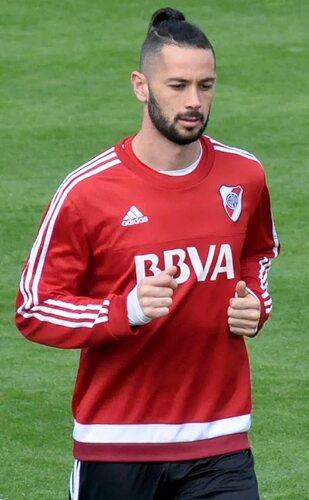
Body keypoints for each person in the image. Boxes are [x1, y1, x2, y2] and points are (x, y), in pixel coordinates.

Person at [15, 7, 279, 499]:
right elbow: (33, 308)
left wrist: (255, 305)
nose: (194, 101)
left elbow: (259, 253)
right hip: (117, 444)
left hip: (220, 442)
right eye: (178, 86)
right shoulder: (87, 192)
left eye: (206, 85)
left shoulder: (244, 176)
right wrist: (125, 310)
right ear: (141, 85)